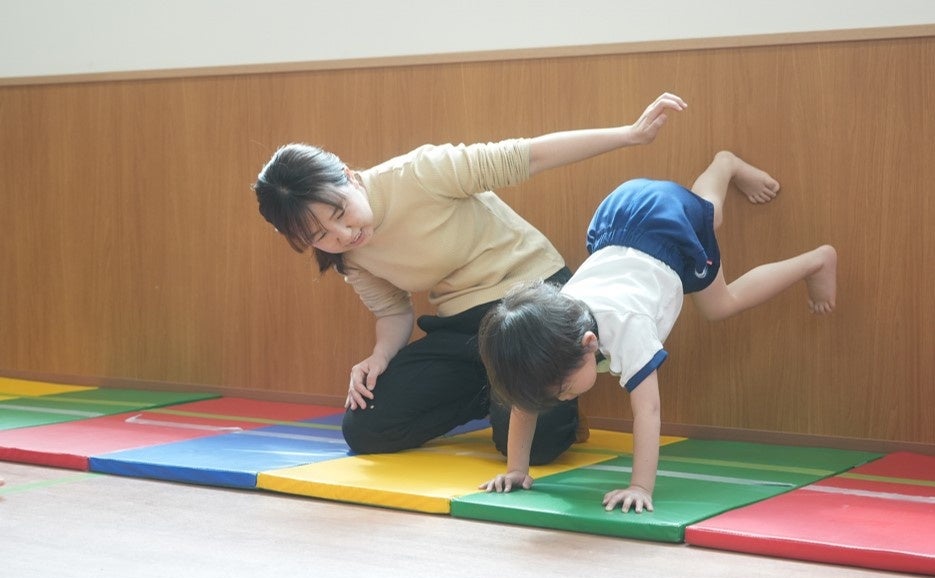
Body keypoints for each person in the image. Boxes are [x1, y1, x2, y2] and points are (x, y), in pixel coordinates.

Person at [253, 93, 688, 464]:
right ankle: (498, 389)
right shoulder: (350, 255)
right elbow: (392, 312)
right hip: (464, 328)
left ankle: (515, 393)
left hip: (532, 304)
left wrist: (629, 134)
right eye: (321, 236)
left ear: (349, 176)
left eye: (340, 213)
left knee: (537, 448)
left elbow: (527, 156)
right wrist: (379, 358)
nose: (344, 235)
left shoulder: (419, 173)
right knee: (366, 428)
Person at [477, 150, 837, 512]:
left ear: (589, 343)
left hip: (666, 234)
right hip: (623, 219)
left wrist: (639, 486)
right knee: (704, 214)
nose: (561, 400)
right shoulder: (555, 321)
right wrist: (516, 470)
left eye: (563, 391)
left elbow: (648, 411)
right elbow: (525, 407)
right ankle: (720, 172)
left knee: (719, 296)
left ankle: (813, 257)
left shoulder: (629, 329)